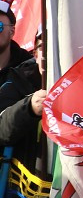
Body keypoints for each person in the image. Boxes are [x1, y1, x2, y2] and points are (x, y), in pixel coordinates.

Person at [0, 29, 48, 177]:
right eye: (43, 47)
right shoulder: (18, 80)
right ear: (35, 54)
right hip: (26, 188)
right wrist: (29, 108)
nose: (48, 54)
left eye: (55, 48)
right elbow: (2, 129)